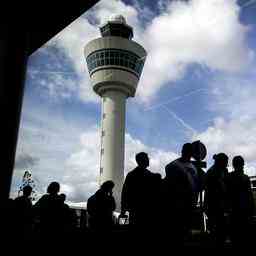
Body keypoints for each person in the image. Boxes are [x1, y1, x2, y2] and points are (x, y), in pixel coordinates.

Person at [163, 143, 200, 245]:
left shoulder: (192, 167)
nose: (189, 153)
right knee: (178, 232)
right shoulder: (173, 166)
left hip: (189, 204)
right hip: (178, 205)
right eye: (187, 150)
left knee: (185, 231)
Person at [120, 152, 162, 232]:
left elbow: (124, 194)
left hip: (135, 212)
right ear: (143, 160)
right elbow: (125, 194)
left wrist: (123, 212)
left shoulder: (131, 175)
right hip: (146, 213)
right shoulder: (152, 176)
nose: (148, 159)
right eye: (147, 158)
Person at [226, 156, 254, 248]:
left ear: (233, 165)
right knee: (244, 237)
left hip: (233, 211)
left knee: (235, 237)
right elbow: (250, 197)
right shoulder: (245, 178)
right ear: (242, 165)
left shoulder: (228, 177)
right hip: (244, 212)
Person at [204, 153, 229, 247]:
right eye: (225, 162)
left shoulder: (224, 170)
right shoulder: (212, 172)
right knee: (216, 230)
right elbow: (209, 189)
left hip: (220, 204)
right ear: (221, 161)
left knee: (221, 229)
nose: (227, 164)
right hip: (213, 204)